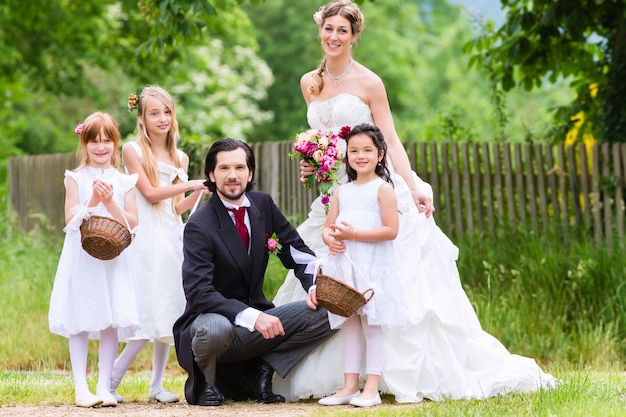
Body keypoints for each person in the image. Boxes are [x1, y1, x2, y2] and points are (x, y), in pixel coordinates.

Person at [272, 0, 558, 403]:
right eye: (328, 29)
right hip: (334, 194)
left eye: (342, 30)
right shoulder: (309, 83)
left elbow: (387, 138)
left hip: (372, 189)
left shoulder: (370, 83)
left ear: (355, 36)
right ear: (320, 31)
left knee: (377, 285)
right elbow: (323, 141)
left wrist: (414, 184)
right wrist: (310, 164)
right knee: (331, 279)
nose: (333, 37)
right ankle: (344, 380)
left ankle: (381, 378)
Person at [172, 138, 335, 407]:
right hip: (213, 322)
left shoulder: (263, 204)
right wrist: (252, 316)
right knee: (215, 328)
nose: (232, 176)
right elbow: (199, 293)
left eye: (239, 167)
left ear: (250, 174)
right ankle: (205, 382)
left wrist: (315, 285)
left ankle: (263, 369)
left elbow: (296, 251)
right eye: (224, 168)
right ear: (212, 175)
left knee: (331, 310)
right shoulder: (199, 224)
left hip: (256, 326)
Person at [110, 86, 207, 403]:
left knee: (169, 305)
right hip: (145, 237)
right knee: (147, 306)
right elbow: (151, 195)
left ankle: (156, 384)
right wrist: (190, 183)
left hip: (170, 236)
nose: (162, 118)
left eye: (167, 112)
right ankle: (113, 376)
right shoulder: (133, 150)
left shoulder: (180, 156)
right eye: (154, 113)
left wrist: (197, 192)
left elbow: (176, 206)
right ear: (142, 117)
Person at [48, 112, 140, 408]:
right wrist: (93, 202)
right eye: (94, 141)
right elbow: (69, 220)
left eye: (106, 141)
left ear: (115, 143)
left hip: (112, 258)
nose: (101, 147)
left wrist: (110, 200)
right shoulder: (75, 178)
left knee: (109, 319)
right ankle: (81, 388)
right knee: (81, 318)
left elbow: (132, 225)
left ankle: (103, 386)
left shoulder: (124, 181)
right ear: (84, 144)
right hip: (82, 256)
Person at [317, 124, 406, 408]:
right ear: (347, 156)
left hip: (373, 265)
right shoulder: (342, 191)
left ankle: (372, 388)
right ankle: (349, 386)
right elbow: (328, 228)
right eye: (354, 151)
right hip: (347, 266)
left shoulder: (383, 189)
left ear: (380, 155)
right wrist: (331, 240)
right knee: (350, 324)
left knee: (371, 324)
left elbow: (391, 230)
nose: (360, 156)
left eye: (367, 150)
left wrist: (354, 234)